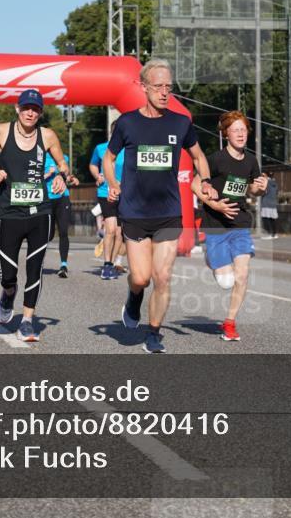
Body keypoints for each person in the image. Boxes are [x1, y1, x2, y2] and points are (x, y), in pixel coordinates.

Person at [104, 59, 217, 354]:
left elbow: (198, 156)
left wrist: (205, 180)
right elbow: (109, 158)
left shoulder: (180, 123)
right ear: (144, 87)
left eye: (169, 87)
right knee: (141, 277)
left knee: (163, 276)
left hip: (168, 213)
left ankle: (153, 334)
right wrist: (112, 183)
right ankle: (133, 295)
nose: (165, 92)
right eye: (158, 86)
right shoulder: (127, 123)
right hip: (135, 213)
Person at [0, 89, 71, 342]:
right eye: (26, 108)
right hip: (9, 211)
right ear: (17, 109)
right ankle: (9, 292)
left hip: (40, 210)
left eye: (36, 109)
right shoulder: (2, 131)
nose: (31, 113)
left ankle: (28, 321)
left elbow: (63, 164)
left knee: (35, 267)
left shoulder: (48, 135)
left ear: (40, 112)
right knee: (8, 273)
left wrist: (62, 178)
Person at [193, 111, 269, 343]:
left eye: (243, 130)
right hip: (216, 225)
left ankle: (229, 323)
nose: (240, 134)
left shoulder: (250, 161)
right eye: (235, 130)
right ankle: (211, 258)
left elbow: (251, 190)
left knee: (242, 275)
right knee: (226, 281)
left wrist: (261, 187)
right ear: (226, 133)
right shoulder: (215, 160)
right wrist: (215, 205)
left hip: (240, 224)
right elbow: (195, 185)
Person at [89, 123, 126, 279]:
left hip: (126, 194)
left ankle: (114, 260)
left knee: (119, 232)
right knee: (110, 229)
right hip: (106, 192)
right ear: (112, 132)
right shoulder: (101, 148)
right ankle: (107, 265)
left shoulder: (131, 150)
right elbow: (92, 164)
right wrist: (97, 175)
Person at [45, 151, 80, 278]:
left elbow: (65, 175)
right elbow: (32, 179)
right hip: (46, 199)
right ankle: (38, 260)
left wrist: (71, 178)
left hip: (62, 198)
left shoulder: (63, 157)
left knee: (64, 231)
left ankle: (63, 265)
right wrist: (48, 174)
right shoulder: (38, 156)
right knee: (48, 234)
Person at [260, 173, 279, 239]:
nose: (261, 177)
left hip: (266, 203)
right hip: (273, 203)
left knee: (265, 219)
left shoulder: (266, 182)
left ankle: (269, 234)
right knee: (272, 219)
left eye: (263, 175)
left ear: (266, 176)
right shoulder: (275, 183)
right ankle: (275, 234)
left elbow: (262, 191)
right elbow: (276, 192)